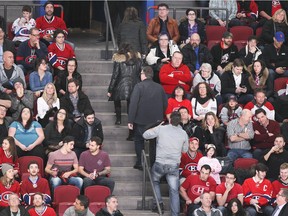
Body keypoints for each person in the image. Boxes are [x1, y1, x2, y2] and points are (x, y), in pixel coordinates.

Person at [142, 111, 188, 215]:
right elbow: (185, 150)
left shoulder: (161, 129)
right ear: (180, 120)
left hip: (160, 163)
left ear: (170, 119)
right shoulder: (183, 133)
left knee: (155, 182)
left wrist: (157, 126)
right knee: (174, 191)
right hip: (174, 165)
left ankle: (159, 205)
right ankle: (175, 214)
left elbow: (145, 135)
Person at [128, 66, 167, 170]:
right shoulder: (159, 87)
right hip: (156, 121)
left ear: (144, 75)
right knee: (153, 144)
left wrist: (130, 120)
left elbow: (133, 104)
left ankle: (140, 163)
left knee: (138, 141)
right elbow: (165, 104)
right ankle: (153, 164)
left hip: (140, 120)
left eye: (141, 73)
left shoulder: (139, 86)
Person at [107, 43, 142, 125]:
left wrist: (110, 90)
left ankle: (118, 119)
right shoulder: (138, 60)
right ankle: (130, 119)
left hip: (120, 84)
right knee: (131, 102)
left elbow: (115, 75)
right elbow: (141, 73)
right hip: (134, 85)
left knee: (117, 101)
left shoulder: (118, 59)